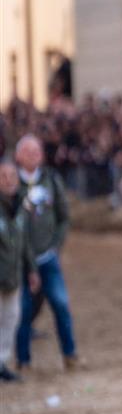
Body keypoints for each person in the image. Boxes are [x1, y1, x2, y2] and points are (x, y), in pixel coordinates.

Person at [14, 135, 79, 371]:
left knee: (60, 304)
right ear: (18, 156)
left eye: (37, 151)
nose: (34, 156)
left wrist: (56, 245)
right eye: (28, 152)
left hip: (48, 257)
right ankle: (23, 361)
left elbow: (64, 216)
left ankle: (70, 354)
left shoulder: (51, 179)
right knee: (23, 310)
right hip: (21, 261)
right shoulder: (11, 183)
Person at [0, 160, 40, 381]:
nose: (8, 180)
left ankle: (1, 363)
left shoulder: (21, 207)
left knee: (10, 320)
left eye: (12, 176)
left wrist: (32, 269)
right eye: (3, 176)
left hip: (13, 276)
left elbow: (24, 242)